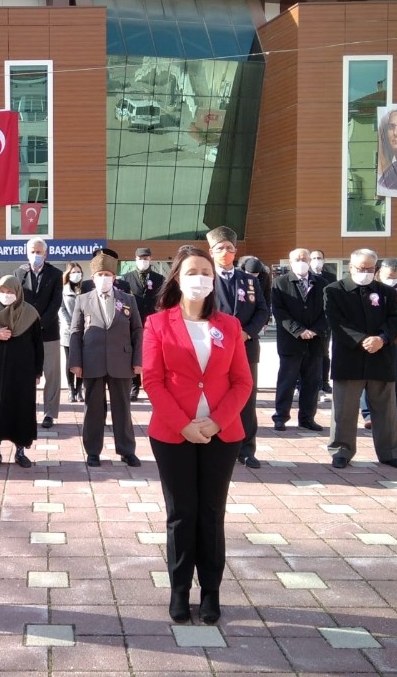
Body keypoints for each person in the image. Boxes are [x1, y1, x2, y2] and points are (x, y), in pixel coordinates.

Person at [142, 245, 253, 625]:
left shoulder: (230, 326)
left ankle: (210, 593)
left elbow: (242, 382)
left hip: (222, 435)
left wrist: (217, 421)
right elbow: (153, 381)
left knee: (211, 513)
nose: (200, 279)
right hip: (173, 434)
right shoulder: (157, 323)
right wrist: (183, 424)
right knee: (181, 513)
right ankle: (178, 591)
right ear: (177, 277)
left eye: (206, 272)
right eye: (192, 272)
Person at [324, 249, 397, 470]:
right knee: (344, 409)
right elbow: (336, 322)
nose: (365, 272)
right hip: (349, 357)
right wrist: (361, 340)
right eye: (361, 268)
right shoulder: (334, 291)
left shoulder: (387, 293)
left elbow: (396, 320)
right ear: (350, 267)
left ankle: (390, 453)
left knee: (386, 410)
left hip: (381, 356)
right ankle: (341, 450)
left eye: (370, 269)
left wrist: (382, 338)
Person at [69, 251, 143, 468]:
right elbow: (75, 331)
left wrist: (138, 360)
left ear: (114, 277)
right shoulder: (83, 300)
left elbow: (137, 330)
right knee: (93, 409)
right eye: (100, 274)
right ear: (93, 278)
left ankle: (127, 451)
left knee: (123, 408)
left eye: (108, 274)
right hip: (92, 362)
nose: (104, 278)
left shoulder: (128, 300)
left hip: (122, 361)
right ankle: (93, 451)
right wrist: (75, 362)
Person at [207, 226, 267, 469]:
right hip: (214, 347)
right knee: (215, 396)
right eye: (220, 248)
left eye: (229, 248)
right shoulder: (205, 278)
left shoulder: (250, 281)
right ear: (210, 252)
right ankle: (216, 444)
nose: (225, 252)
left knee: (246, 399)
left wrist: (246, 332)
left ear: (236, 252)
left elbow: (263, 310)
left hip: (245, 346)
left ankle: (246, 449)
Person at [0, 275, 43, 469]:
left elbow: (38, 345)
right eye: (2, 291)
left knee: (20, 408)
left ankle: (20, 452)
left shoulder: (30, 313)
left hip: (22, 372)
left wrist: (38, 371)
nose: (6, 295)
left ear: (18, 293)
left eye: (10, 292)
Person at [270, 248, 327, 439]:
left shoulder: (321, 283)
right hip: (291, 342)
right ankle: (280, 417)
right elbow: (279, 312)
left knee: (312, 383)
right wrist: (298, 330)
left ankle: (307, 418)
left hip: (315, 342)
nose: (301, 261)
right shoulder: (280, 283)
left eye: (305, 258)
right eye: (297, 259)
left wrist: (315, 330)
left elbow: (328, 311)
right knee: (287, 381)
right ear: (290, 261)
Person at [14, 237, 63, 428]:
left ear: (45, 254)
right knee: (26, 372)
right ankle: (26, 410)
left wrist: (40, 323)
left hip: (48, 331)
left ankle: (50, 413)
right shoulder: (19, 273)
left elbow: (56, 302)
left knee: (51, 373)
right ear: (27, 253)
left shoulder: (55, 273)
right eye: (32, 251)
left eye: (39, 252)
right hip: (24, 331)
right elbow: (15, 302)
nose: (36, 255)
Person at [368, 259, 397, 430]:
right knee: (371, 377)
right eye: (389, 277)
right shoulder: (370, 286)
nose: (392, 280)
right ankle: (368, 414)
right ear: (380, 272)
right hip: (374, 339)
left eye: (395, 277)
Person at [123, 247, 164, 402]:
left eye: (146, 258)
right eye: (140, 258)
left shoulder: (159, 278)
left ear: (150, 259)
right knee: (134, 354)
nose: (143, 261)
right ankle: (134, 387)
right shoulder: (127, 278)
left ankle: (151, 385)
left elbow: (162, 300)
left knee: (151, 355)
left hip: (152, 322)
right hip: (133, 321)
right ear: (135, 259)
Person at [310, 249, 336, 395]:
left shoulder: (330, 277)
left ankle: (324, 381)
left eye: (319, 258)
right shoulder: (305, 276)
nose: (316, 260)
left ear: (324, 260)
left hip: (324, 320)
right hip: (309, 319)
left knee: (324, 352)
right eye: (313, 258)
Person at [59, 262, 84, 402]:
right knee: (70, 360)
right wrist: (70, 325)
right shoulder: (63, 290)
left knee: (82, 360)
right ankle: (70, 389)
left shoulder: (85, 289)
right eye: (73, 272)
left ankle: (79, 389)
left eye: (78, 272)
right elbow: (61, 309)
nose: (76, 274)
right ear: (68, 274)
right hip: (68, 330)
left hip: (84, 330)